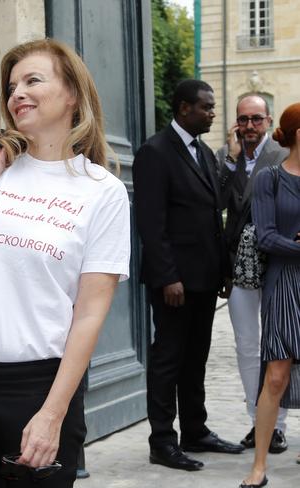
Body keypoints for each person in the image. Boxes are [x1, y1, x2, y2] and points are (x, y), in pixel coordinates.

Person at [0, 38, 131, 487]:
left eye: (33, 80)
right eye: (12, 86)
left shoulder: (101, 190)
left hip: (35, 388)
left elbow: (91, 313)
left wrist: (53, 414)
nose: (17, 94)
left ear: (72, 94)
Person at [133, 79, 244, 472]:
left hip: (205, 278)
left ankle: (195, 431)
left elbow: (215, 212)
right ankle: (162, 441)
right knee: (168, 360)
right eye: (207, 107)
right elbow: (151, 221)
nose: (214, 113)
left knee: (195, 359)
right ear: (183, 108)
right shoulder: (154, 152)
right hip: (175, 283)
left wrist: (224, 271)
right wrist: (167, 277)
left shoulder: (203, 152)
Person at [217, 94, 289, 453]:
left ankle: (278, 424)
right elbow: (215, 202)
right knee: (246, 345)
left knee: (278, 347)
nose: (248, 127)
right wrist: (230, 161)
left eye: (256, 120)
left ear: (269, 121)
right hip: (239, 267)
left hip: (279, 263)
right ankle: (256, 420)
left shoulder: (282, 155)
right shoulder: (224, 158)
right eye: (243, 119)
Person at [239, 102, 300, 488]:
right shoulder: (271, 178)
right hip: (285, 283)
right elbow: (265, 237)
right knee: (276, 375)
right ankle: (259, 465)